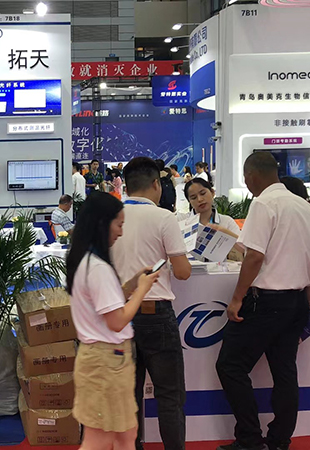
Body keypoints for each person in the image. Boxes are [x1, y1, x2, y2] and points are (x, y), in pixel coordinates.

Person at [215, 152, 310, 450]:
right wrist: (307, 305)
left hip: (265, 303)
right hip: (296, 302)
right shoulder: (306, 208)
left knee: (230, 366)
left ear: (251, 176)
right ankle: (279, 440)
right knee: (285, 371)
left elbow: (254, 256)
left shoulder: (263, 204)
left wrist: (237, 299)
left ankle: (249, 438)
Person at [67, 192, 160, 450]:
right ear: (102, 224)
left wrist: (132, 285)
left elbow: (106, 305)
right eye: (118, 224)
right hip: (105, 362)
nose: (121, 232)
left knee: (126, 433)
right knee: (99, 438)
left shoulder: (86, 261)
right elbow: (117, 321)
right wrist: (142, 290)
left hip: (107, 360)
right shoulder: (98, 268)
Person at [111, 157, 192, 450]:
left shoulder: (110, 217)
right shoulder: (163, 217)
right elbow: (183, 272)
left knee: (127, 397)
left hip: (120, 314)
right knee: (169, 395)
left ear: (126, 185)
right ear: (156, 184)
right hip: (156, 313)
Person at [184, 178, 244, 261]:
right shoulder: (181, 222)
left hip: (220, 268)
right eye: (193, 197)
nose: (200, 199)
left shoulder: (226, 221)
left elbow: (243, 248)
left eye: (203, 193)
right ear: (189, 201)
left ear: (212, 192)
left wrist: (225, 232)